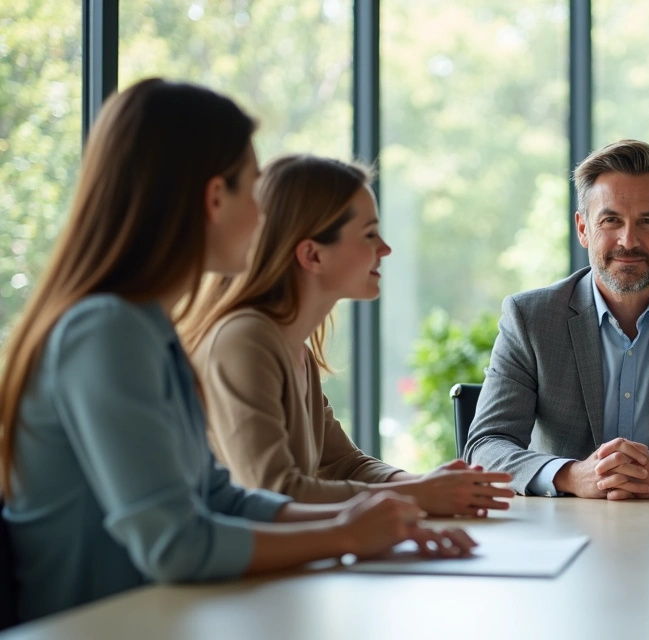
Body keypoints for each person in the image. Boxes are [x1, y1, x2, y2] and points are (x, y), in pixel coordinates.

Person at [0, 79, 472, 623]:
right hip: (100, 627)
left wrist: (375, 516)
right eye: (253, 188)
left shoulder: (146, 327)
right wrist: (346, 533)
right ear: (213, 198)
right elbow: (176, 545)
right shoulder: (107, 331)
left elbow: (221, 498)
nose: (262, 213)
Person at [179, 154, 514, 516]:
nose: (384, 248)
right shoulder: (245, 340)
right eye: (369, 234)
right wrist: (417, 496)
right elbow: (274, 491)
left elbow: (345, 464)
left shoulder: (295, 350)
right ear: (312, 255)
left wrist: (425, 483)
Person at [465, 139, 649, 499]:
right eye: (611, 220)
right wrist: (571, 476)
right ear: (582, 228)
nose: (629, 240)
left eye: (648, 221)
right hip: (560, 524)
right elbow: (487, 445)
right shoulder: (530, 318)